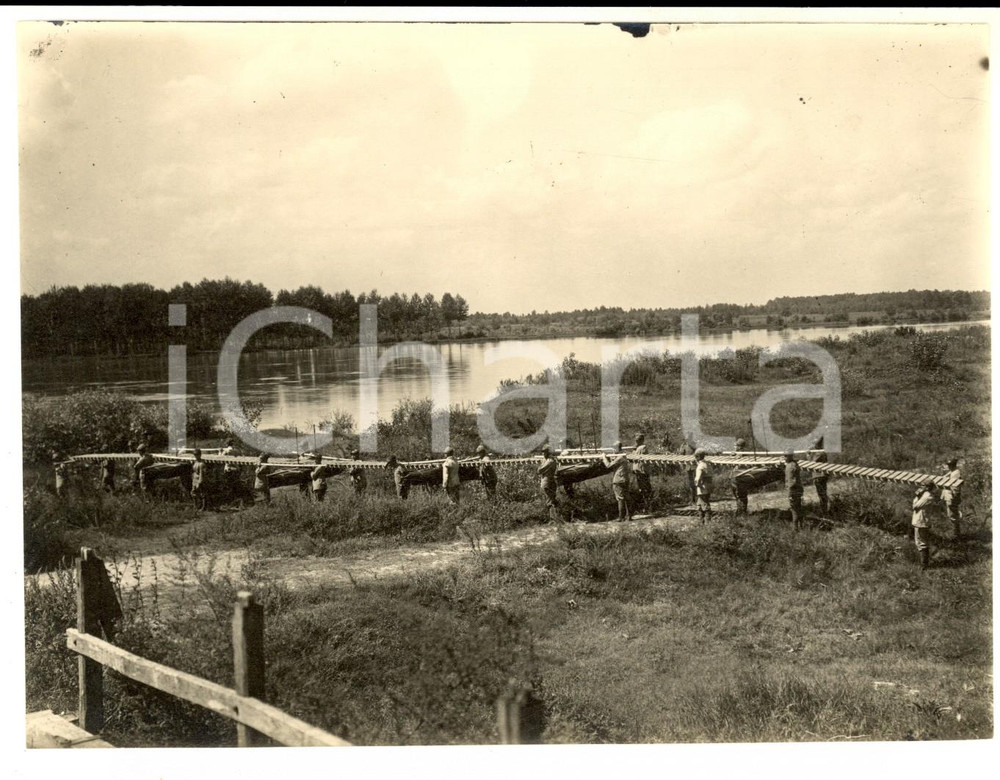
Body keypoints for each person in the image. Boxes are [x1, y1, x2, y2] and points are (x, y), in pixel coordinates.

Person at [912, 482, 940, 570]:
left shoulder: (927, 496)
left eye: (923, 485)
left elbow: (915, 506)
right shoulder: (925, 495)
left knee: (921, 543)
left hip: (921, 522)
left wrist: (917, 496)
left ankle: (924, 565)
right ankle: (924, 564)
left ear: (927, 487)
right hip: (921, 521)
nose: (921, 487)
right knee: (920, 542)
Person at [605, 441, 632, 522]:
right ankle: (629, 516)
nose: (613, 450)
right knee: (627, 498)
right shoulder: (623, 455)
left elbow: (608, 465)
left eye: (614, 448)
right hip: (625, 479)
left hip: (618, 480)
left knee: (620, 498)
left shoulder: (619, 457)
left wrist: (603, 457)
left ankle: (621, 517)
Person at [940, 458, 963, 538]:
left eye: (950, 465)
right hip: (949, 496)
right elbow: (947, 475)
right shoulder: (953, 471)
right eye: (948, 465)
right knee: (951, 514)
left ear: (953, 465)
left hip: (951, 497)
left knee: (952, 515)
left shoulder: (956, 473)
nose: (948, 466)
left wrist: (954, 498)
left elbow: (955, 487)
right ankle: (955, 532)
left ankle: (956, 534)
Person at [538, 446, 560, 522]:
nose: (543, 453)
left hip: (548, 482)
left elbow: (540, 470)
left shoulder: (550, 461)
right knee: (551, 500)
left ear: (548, 452)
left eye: (545, 452)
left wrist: (541, 467)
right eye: (543, 452)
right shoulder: (548, 460)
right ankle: (556, 517)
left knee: (551, 500)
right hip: (547, 482)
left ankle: (554, 518)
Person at [632, 434, 652, 513]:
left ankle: (647, 507)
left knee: (645, 489)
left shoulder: (643, 448)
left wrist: (635, 450)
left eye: (637, 440)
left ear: (641, 440)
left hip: (642, 472)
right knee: (642, 489)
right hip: (639, 471)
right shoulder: (638, 448)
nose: (636, 442)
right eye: (636, 440)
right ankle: (645, 507)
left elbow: (638, 458)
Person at [785, 450, 804, 530]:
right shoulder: (795, 464)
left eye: (786, 456)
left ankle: (795, 528)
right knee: (798, 508)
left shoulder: (789, 467)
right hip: (798, 489)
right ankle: (801, 526)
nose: (784, 458)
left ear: (790, 456)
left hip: (793, 490)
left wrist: (790, 494)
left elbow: (791, 482)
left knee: (794, 509)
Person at [730, 438, 750, 515]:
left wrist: (734, 456)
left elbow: (738, 462)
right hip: (736, 475)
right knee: (737, 494)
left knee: (741, 494)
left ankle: (743, 511)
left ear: (740, 446)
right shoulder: (737, 453)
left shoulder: (742, 453)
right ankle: (740, 510)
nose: (734, 447)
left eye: (736, 445)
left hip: (741, 476)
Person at [694, 449, 713, 524]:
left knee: (704, 504)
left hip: (702, 488)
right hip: (708, 486)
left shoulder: (700, 466)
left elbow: (697, 479)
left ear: (698, 456)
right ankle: (701, 522)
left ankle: (707, 523)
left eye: (696, 456)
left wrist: (698, 485)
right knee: (699, 504)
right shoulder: (707, 464)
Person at [679, 432, 698, 505]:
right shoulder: (684, 445)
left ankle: (698, 499)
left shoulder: (694, 444)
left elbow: (697, 453)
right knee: (691, 484)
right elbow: (681, 454)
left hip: (695, 466)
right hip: (688, 467)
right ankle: (692, 499)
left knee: (696, 482)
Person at [813, 438, 830, 515]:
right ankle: (825, 510)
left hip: (819, 476)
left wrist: (808, 454)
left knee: (821, 494)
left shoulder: (819, 453)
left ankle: (824, 511)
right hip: (822, 476)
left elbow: (811, 462)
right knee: (822, 493)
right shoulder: (821, 452)